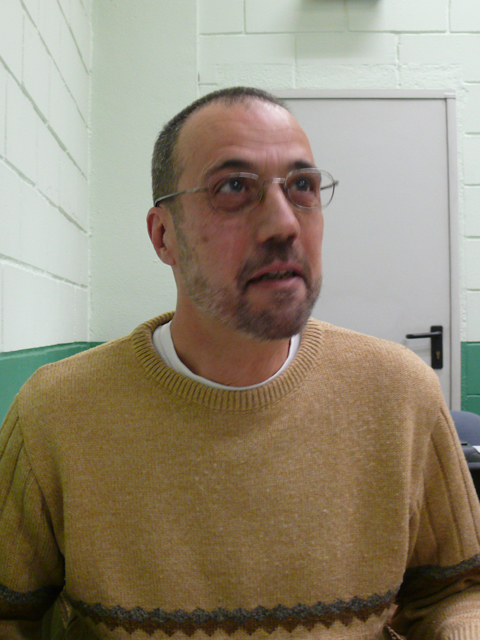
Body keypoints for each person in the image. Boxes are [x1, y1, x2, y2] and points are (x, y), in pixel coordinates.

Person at [1, 86, 480, 640]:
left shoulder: (400, 393)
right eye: (234, 187)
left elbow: (455, 591)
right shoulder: (56, 412)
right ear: (163, 235)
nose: (285, 224)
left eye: (302, 186)